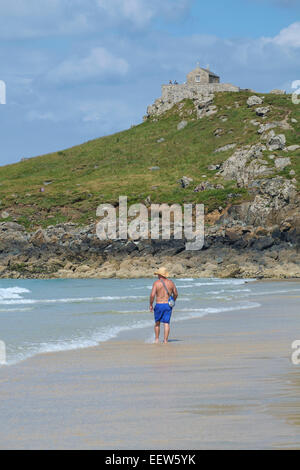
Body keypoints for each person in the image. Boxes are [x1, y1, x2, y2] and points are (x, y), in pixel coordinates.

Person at [149, 267, 178, 344]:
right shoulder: (171, 283)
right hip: (167, 305)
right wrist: (173, 301)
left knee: (157, 323)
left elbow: (152, 295)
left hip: (159, 304)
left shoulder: (156, 283)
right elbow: (176, 294)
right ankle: (165, 341)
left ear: (160, 275)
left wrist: (151, 304)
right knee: (166, 323)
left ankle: (157, 339)